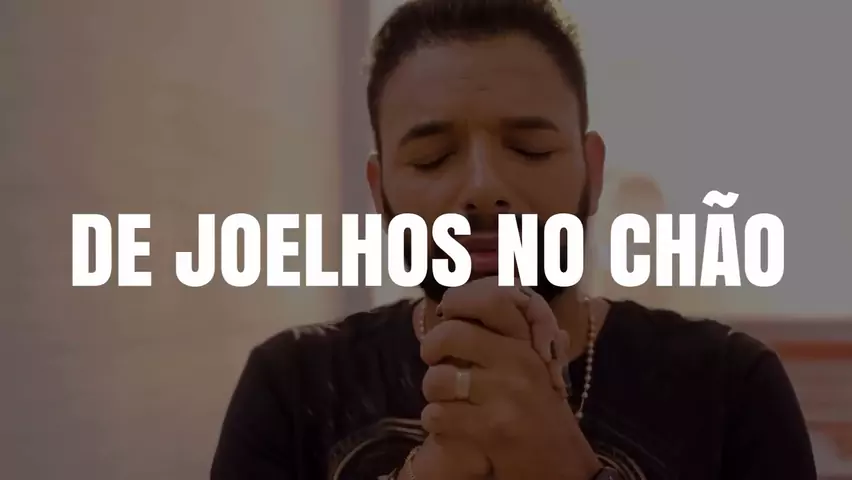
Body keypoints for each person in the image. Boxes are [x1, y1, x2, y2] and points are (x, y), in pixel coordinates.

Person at [210, 1, 817, 479]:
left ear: (592, 172)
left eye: (530, 149)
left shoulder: (730, 387)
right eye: (432, 158)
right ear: (381, 192)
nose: (482, 187)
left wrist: (562, 465)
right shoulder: (293, 385)